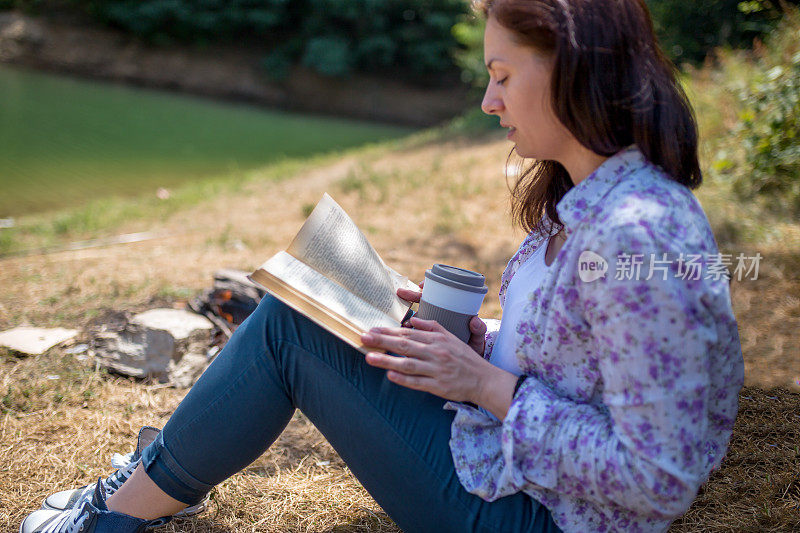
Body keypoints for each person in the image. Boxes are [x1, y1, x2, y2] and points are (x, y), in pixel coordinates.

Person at [21, 0, 744, 531]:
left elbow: (659, 476)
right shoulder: (587, 197)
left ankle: (112, 517)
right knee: (310, 304)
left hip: (542, 515)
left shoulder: (637, 236)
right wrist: (473, 343)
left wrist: (486, 385)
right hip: (515, 469)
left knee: (287, 327)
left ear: (575, 68)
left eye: (500, 75)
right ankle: (143, 489)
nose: (488, 101)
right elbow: (587, 362)